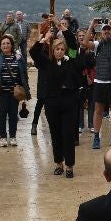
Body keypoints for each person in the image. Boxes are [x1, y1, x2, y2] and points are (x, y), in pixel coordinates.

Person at [30, 35, 85, 177]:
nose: (59, 51)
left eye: (62, 49)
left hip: (69, 100)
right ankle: (59, 163)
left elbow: (73, 45)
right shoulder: (46, 63)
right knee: (55, 134)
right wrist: (44, 39)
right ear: (53, 50)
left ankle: (69, 165)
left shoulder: (70, 61)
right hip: (52, 101)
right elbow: (33, 52)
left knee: (68, 134)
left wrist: (65, 30)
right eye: (57, 49)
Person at [84, 19, 111, 149]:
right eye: (105, 30)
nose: (107, 31)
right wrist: (91, 25)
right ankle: (96, 137)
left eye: (109, 29)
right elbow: (85, 42)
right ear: (101, 32)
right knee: (98, 109)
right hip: (101, 81)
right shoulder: (98, 44)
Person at [0, 33, 29, 147]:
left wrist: (25, 89)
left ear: (12, 45)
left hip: (15, 92)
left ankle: (13, 136)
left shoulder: (18, 57)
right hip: (2, 92)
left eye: (8, 43)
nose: (5, 45)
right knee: (2, 115)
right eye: (3, 43)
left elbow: (24, 74)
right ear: (0, 45)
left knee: (13, 115)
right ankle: (3, 137)